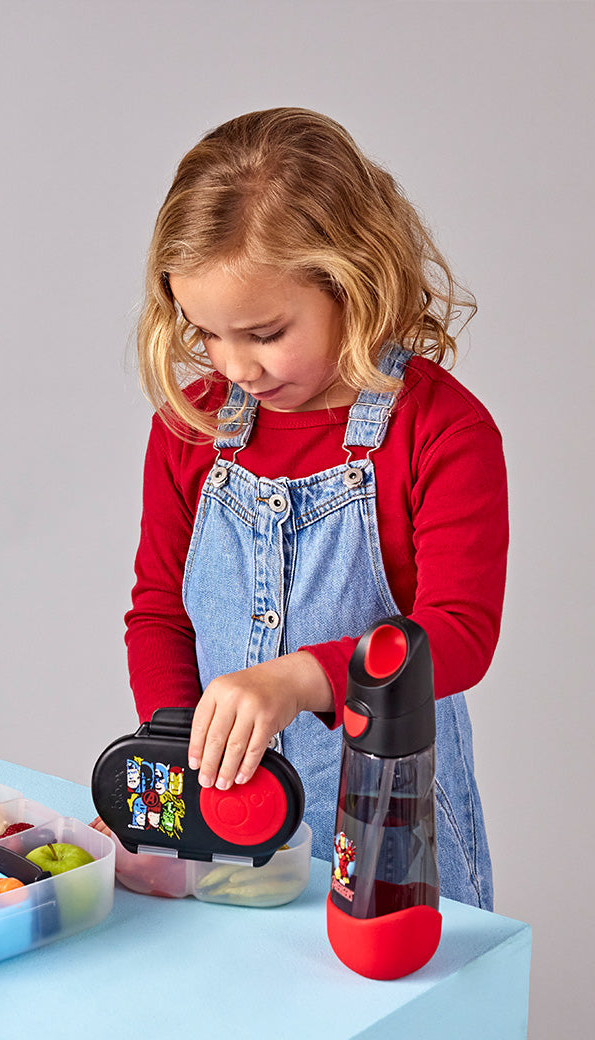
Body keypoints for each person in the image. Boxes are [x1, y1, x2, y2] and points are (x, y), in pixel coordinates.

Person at [122, 108, 506, 909]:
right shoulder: (193, 426)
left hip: (393, 842)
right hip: (231, 834)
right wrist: (178, 745)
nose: (235, 367)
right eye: (207, 333)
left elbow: (460, 636)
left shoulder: (441, 431)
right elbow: (159, 611)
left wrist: (298, 679)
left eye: (264, 333)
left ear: (352, 281)